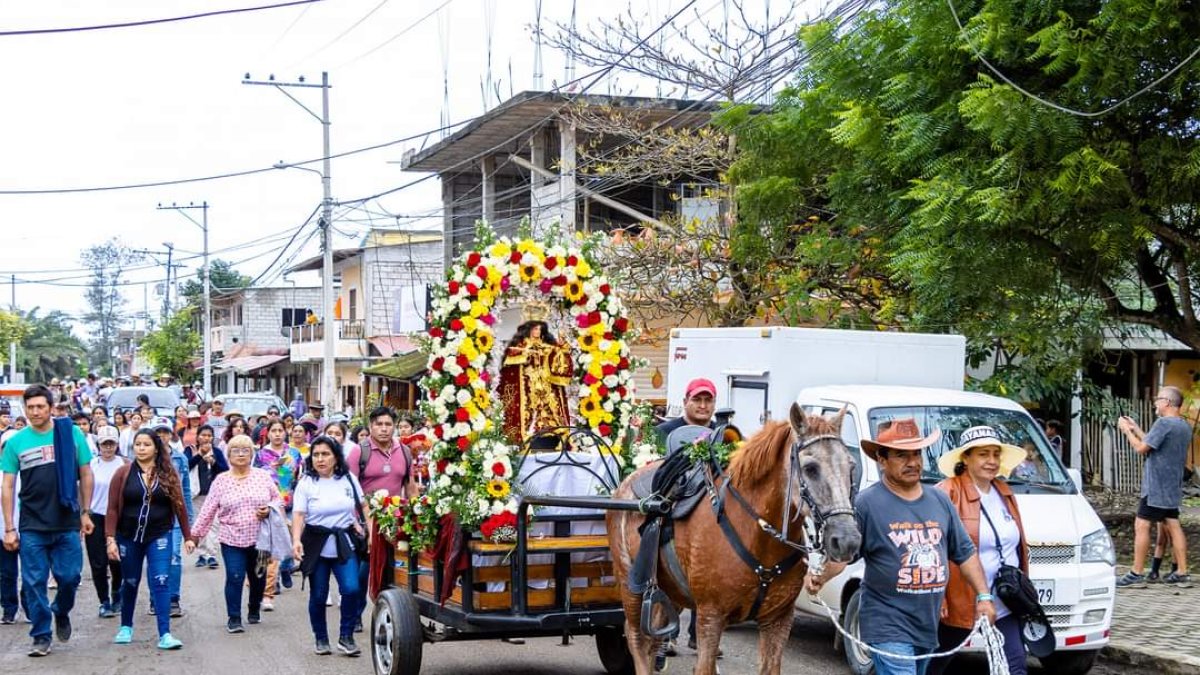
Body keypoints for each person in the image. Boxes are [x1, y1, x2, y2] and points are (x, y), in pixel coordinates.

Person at [806, 418, 995, 675]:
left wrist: (983, 596)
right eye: (901, 455)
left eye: (916, 454)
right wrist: (819, 577)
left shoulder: (939, 500)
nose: (913, 462)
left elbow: (965, 553)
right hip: (887, 624)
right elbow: (844, 556)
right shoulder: (866, 504)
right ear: (882, 460)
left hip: (927, 626)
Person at [0, 384, 97, 657]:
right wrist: (9, 528)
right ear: (25, 409)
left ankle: (61, 610)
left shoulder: (71, 434)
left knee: (69, 578)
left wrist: (86, 512)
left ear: (51, 407)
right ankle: (41, 635)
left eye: (40, 406)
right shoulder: (16, 442)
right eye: (30, 407)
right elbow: (7, 486)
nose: (35, 412)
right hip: (32, 524)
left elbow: (86, 473)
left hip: (67, 521)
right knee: (34, 582)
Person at [929, 426, 1031, 675]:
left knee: (1014, 666)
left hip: (1004, 599)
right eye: (984, 454)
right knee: (933, 665)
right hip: (959, 599)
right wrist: (939, 595)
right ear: (966, 457)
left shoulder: (1004, 491)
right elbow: (933, 546)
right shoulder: (947, 492)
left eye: (996, 454)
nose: (992, 461)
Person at [105, 429, 192, 650]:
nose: (141, 448)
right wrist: (110, 538)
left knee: (161, 580)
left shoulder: (168, 473)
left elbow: (179, 506)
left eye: (146, 444)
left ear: (156, 448)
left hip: (159, 534)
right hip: (128, 536)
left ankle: (165, 634)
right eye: (138, 444)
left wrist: (188, 536)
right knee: (131, 581)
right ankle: (126, 626)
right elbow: (113, 508)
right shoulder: (123, 473)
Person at [187, 434, 279, 633]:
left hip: (260, 539)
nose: (241, 454)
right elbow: (208, 510)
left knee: (258, 577)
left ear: (252, 454)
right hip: (231, 538)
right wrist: (194, 536)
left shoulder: (262, 476)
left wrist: (269, 509)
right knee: (235, 576)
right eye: (236, 450)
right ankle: (234, 618)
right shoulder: (221, 480)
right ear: (228, 455)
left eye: (245, 450)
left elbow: (278, 500)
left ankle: (254, 608)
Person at [652, 376, 718, 656]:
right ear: (686, 403)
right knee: (670, 570)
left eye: (708, 400)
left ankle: (699, 637)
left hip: (711, 515)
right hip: (674, 511)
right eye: (697, 400)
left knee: (711, 577)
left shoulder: (722, 433)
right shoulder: (666, 431)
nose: (702, 406)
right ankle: (668, 634)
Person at [291, 435, 364, 656]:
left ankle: (346, 636)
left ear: (336, 457)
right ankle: (321, 639)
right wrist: (295, 540)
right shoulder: (306, 482)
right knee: (319, 595)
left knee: (351, 588)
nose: (320, 459)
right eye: (316, 455)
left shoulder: (348, 478)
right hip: (316, 544)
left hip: (343, 542)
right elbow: (299, 514)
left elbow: (363, 505)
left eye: (325, 454)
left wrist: (365, 527)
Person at [346, 407, 417, 632]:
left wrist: (416, 513)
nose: (384, 429)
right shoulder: (359, 452)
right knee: (360, 575)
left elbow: (410, 485)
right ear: (370, 426)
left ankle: (389, 615)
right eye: (379, 424)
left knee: (390, 571)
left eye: (388, 424)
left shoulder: (404, 451)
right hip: (361, 523)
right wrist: (356, 521)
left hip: (393, 523)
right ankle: (354, 615)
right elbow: (348, 487)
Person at [1116, 386, 1192, 587]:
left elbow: (1142, 448)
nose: (1155, 403)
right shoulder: (1183, 426)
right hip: (1172, 486)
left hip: (1156, 486)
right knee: (1174, 525)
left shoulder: (1163, 423)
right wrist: (1136, 428)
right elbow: (1154, 442)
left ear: (1167, 402)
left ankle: (1136, 572)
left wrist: (1126, 432)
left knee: (1141, 526)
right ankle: (1182, 571)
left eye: (1158, 399)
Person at [499, 317, 572, 444]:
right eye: (535, 328)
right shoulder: (521, 345)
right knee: (530, 408)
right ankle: (528, 435)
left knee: (551, 407)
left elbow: (558, 359)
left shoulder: (548, 346)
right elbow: (510, 361)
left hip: (546, 383)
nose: (537, 331)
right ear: (529, 330)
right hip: (528, 383)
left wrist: (561, 348)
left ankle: (553, 435)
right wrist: (526, 355)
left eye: (540, 329)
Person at [255, 419, 302, 608]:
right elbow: (257, 478)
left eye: (280, 430)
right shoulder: (261, 455)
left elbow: (301, 477)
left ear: (286, 432)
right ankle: (268, 588)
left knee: (291, 540)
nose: (277, 434)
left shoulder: (294, 453)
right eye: (273, 430)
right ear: (268, 433)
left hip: (291, 503)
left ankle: (285, 568)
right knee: (271, 546)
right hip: (271, 505)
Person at [86, 426, 127, 620]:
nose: (108, 448)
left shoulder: (125, 464)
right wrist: (82, 515)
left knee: (117, 560)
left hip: (119, 518)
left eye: (111, 444)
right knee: (98, 562)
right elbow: (82, 491)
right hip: (96, 517)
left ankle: (117, 593)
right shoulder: (91, 465)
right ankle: (103, 601)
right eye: (105, 444)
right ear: (98, 445)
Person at [186, 424, 228, 569]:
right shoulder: (190, 450)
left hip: (214, 494)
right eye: (203, 435)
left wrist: (213, 462)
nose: (206, 438)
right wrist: (199, 455)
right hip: (197, 493)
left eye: (209, 435)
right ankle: (201, 554)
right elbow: (185, 466)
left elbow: (225, 470)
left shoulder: (216, 451)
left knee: (214, 525)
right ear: (198, 436)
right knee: (199, 524)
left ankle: (211, 555)